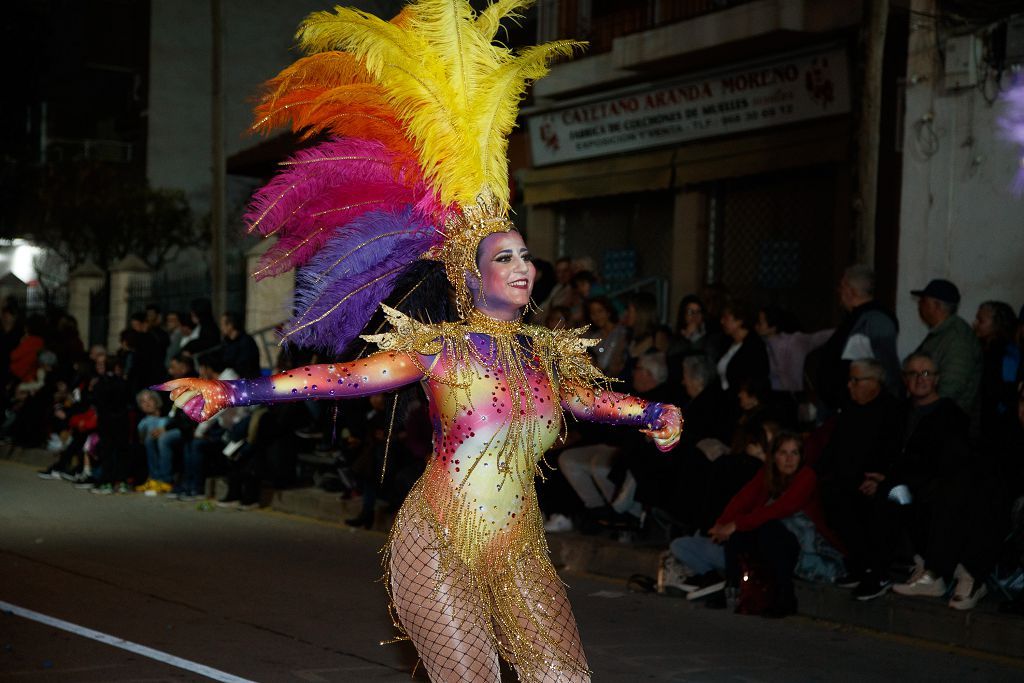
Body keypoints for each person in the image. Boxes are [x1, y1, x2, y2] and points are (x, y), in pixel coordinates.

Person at [155, 4, 682, 681]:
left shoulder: (545, 356)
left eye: (526, 256)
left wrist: (651, 414)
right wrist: (231, 390)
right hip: (436, 543)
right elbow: (336, 378)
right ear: (469, 277)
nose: (524, 268)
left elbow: (587, 400)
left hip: (519, 549)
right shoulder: (440, 349)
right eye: (506, 258)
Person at [704, 432, 844, 616]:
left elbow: (781, 509)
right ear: (774, 456)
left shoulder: (807, 476)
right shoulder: (767, 474)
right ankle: (735, 589)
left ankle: (785, 597)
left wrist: (736, 524)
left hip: (808, 547)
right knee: (741, 535)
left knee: (768, 530)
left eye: (794, 453)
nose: (789, 459)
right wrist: (722, 525)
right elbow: (743, 499)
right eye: (783, 453)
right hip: (775, 538)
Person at [817, 265, 901, 410]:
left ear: (850, 290)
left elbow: (886, 366)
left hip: (862, 408)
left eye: (842, 287)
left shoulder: (876, 320)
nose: (839, 292)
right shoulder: (855, 318)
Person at [910, 278, 982, 414]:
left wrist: (927, 408)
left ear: (937, 306)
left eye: (924, 301)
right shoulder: (941, 333)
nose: (919, 305)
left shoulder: (957, 339)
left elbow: (951, 385)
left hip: (948, 422)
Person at [219, 311, 261, 378]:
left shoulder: (246, 341)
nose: (221, 328)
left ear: (230, 325)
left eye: (222, 324)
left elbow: (244, 366)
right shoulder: (227, 342)